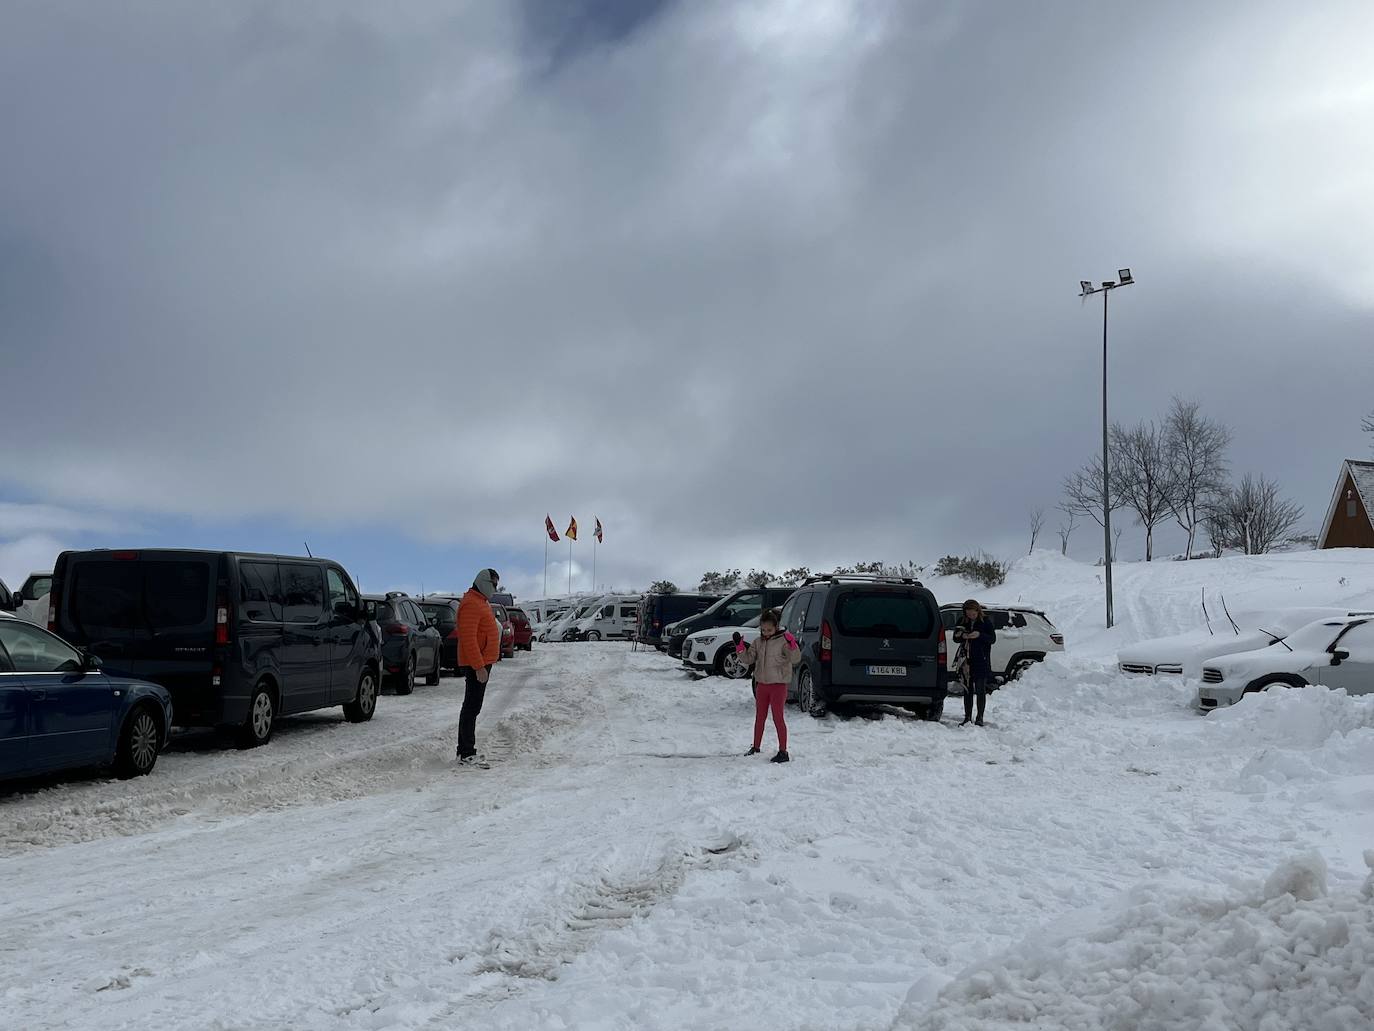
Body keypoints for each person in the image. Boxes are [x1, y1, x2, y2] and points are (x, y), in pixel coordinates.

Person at [734, 608, 801, 763]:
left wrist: (792, 644)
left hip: (778, 686)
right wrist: (739, 647)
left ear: (776, 627)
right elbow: (748, 659)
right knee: (759, 717)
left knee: (778, 718)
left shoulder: (783, 641)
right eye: (763, 630)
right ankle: (756, 746)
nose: (766, 633)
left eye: (769, 630)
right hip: (762, 685)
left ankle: (783, 752)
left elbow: (796, 658)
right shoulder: (758, 642)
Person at [456, 568, 502, 766]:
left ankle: (465, 751)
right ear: (483, 581)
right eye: (494, 584)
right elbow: (468, 639)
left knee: (473, 706)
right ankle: (466, 752)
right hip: (478, 664)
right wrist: (479, 666)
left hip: (484, 662)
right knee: (471, 707)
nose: (495, 588)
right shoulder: (471, 604)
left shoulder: (479, 601)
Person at [953, 598, 996, 726]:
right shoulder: (962, 621)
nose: (971, 615)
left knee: (980, 689)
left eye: (973, 612)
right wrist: (963, 636)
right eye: (968, 613)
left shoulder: (985, 621)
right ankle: (967, 717)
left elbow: (992, 639)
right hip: (966, 660)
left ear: (978, 611)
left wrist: (979, 635)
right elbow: (956, 637)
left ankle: (980, 717)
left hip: (981, 660)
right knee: (967, 690)